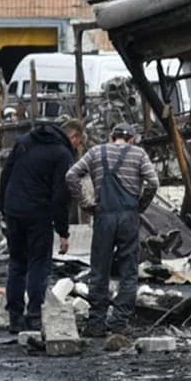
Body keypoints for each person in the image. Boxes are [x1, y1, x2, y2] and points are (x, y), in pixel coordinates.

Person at [64, 122, 158, 338]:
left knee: (99, 271)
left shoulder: (96, 152)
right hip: (128, 217)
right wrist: (139, 206)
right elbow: (153, 183)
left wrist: (86, 204)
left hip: (103, 216)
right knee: (128, 272)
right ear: (132, 139)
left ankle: (96, 323)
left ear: (111, 137)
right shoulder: (139, 154)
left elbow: (71, 175)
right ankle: (119, 323)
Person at [0, 117, 84, 331]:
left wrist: (4, 207)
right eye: (78, 143)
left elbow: (6, 175)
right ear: (73, 136)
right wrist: (63, 231)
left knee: (17, 263)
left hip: (14, 210)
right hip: (38, 213)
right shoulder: (62, 154)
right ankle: (35, 315)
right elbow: (60, 196)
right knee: (39, 263)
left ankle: (15, 317)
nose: (77, 148)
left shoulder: (24, 141)